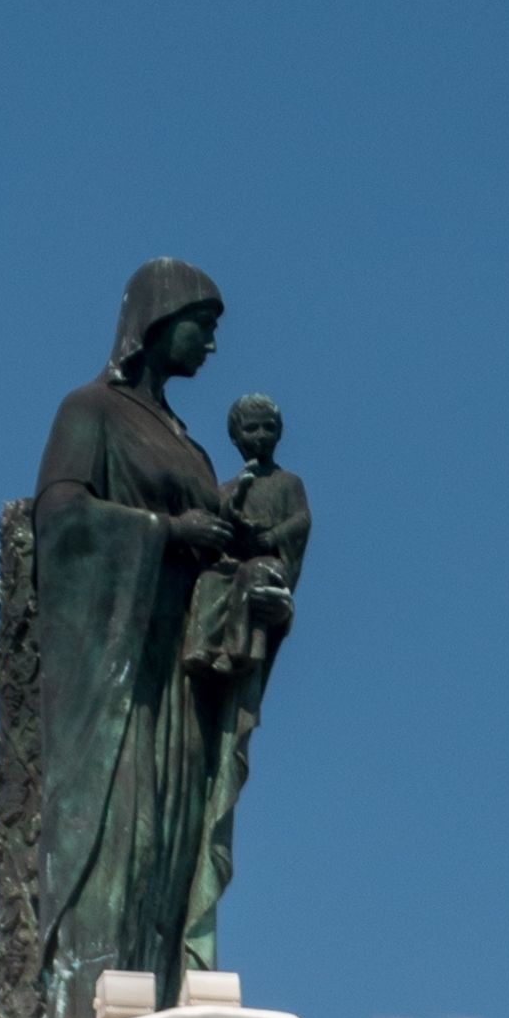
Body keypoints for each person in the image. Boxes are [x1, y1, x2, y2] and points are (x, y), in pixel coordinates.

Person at [28, 263, 251, 1018]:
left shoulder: (186, 443)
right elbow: (58, 518)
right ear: (158, 325)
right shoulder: (89, 410)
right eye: (204, 327)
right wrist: (164, 533)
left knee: (169, 842)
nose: (213, 346)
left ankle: (153, 990)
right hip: (116, 670)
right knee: (123, 825)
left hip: (179, 668)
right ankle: (94, 995)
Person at [182, 392, 311, 983]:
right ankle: (209, 647)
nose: (259, 435)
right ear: (237, 435)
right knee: (215, 581)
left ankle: (238, 649)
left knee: (256, 575)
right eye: (249, 428)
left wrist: (262, 534)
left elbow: (295, 530)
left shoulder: (288, 483)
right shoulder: (231, 483)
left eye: (267, 426)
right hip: (233, 564)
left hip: (267, 566)